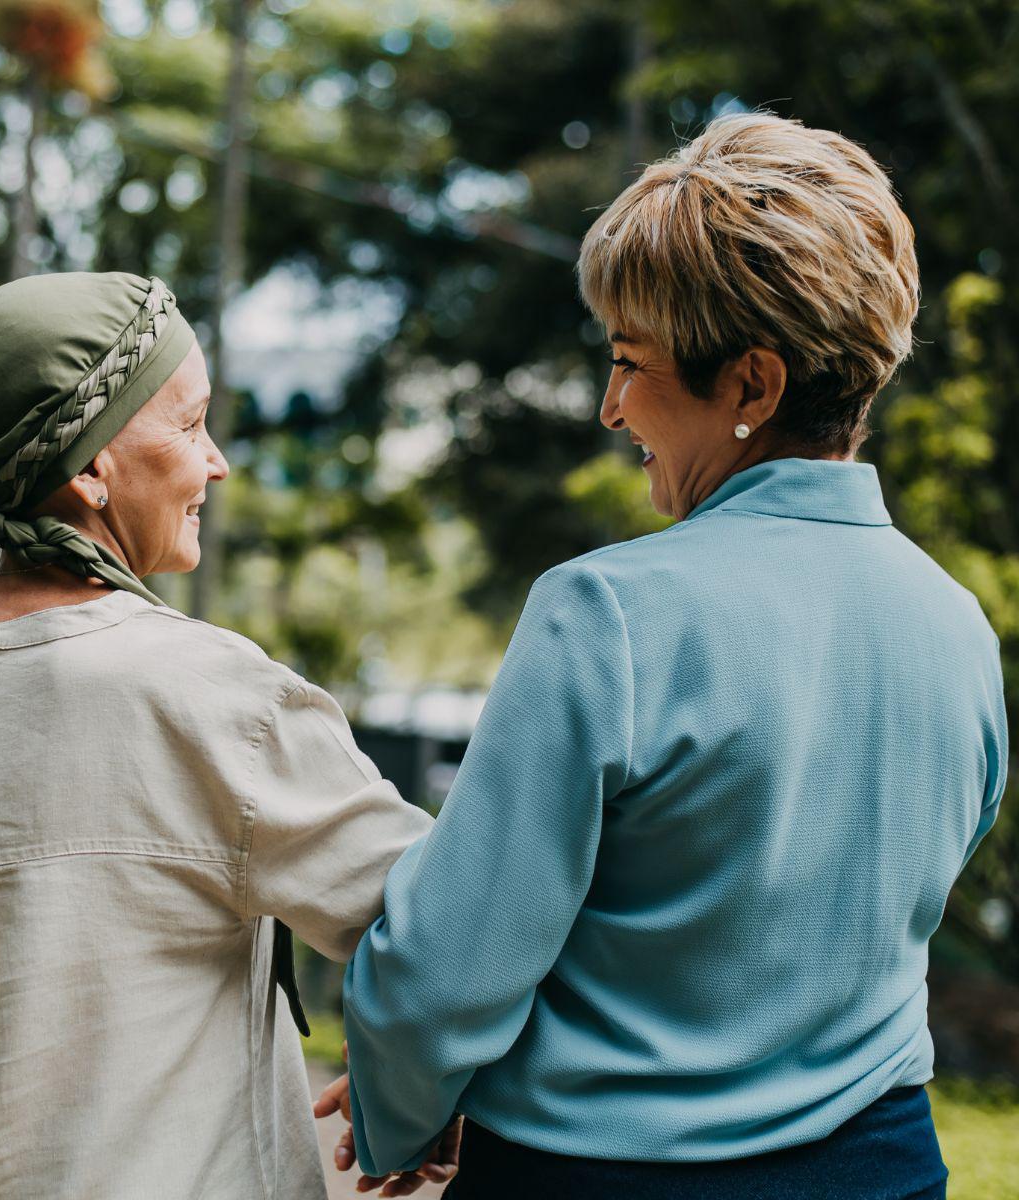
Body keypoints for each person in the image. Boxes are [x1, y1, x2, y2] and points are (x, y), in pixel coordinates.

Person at [327, 114, 1007, 1198]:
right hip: (884, 1172)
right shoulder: (958, 624)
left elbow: (449, 972)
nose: (610, 408)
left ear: (752, 387)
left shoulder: (607, 614)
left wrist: (396, 1107)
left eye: (630, 364)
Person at [0, 271, 443, 1199]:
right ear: (91, 468)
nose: (217, 462)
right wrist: (421, 1080)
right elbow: (448, 917)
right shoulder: (221, 698)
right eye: (190, 426)